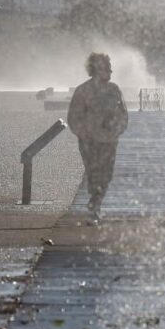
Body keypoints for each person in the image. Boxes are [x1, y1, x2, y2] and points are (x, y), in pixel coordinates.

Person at [66, 53, 128, 222]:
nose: (110, 70)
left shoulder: (114, 90)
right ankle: (95, 206)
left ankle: (96, 203)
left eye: (109, 67)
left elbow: (123, 114)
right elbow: (73, 117)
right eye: (106, 67)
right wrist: (84, 134)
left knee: (107, 175)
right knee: (94, 174)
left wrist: (117, 130)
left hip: (109, 140)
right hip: (89, 141)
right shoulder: (83, 91)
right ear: (94, 69)